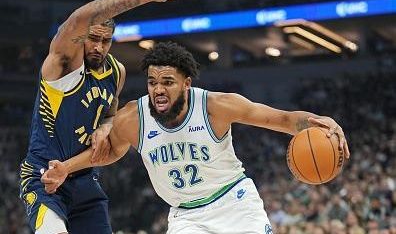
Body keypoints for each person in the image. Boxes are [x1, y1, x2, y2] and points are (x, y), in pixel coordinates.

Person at [41, 42, 350, 234]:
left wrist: (315, 123)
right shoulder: (134, 117)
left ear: (186, 83)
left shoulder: (216, 106)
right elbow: (108, 151)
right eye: (151, 82)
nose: (158, 90)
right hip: (186, 216)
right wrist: (66, 168)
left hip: (234, 203)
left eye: (167, 82)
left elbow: (279, 118)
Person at [20, 0, 182, 234]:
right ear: (82, 37)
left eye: (105, 41)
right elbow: (80, 18)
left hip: (85, 179)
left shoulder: (116, 72)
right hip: (44, 175)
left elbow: (108, 114)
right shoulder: (62, 63)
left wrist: (106, 127)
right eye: (93, 39)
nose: (98, 46)